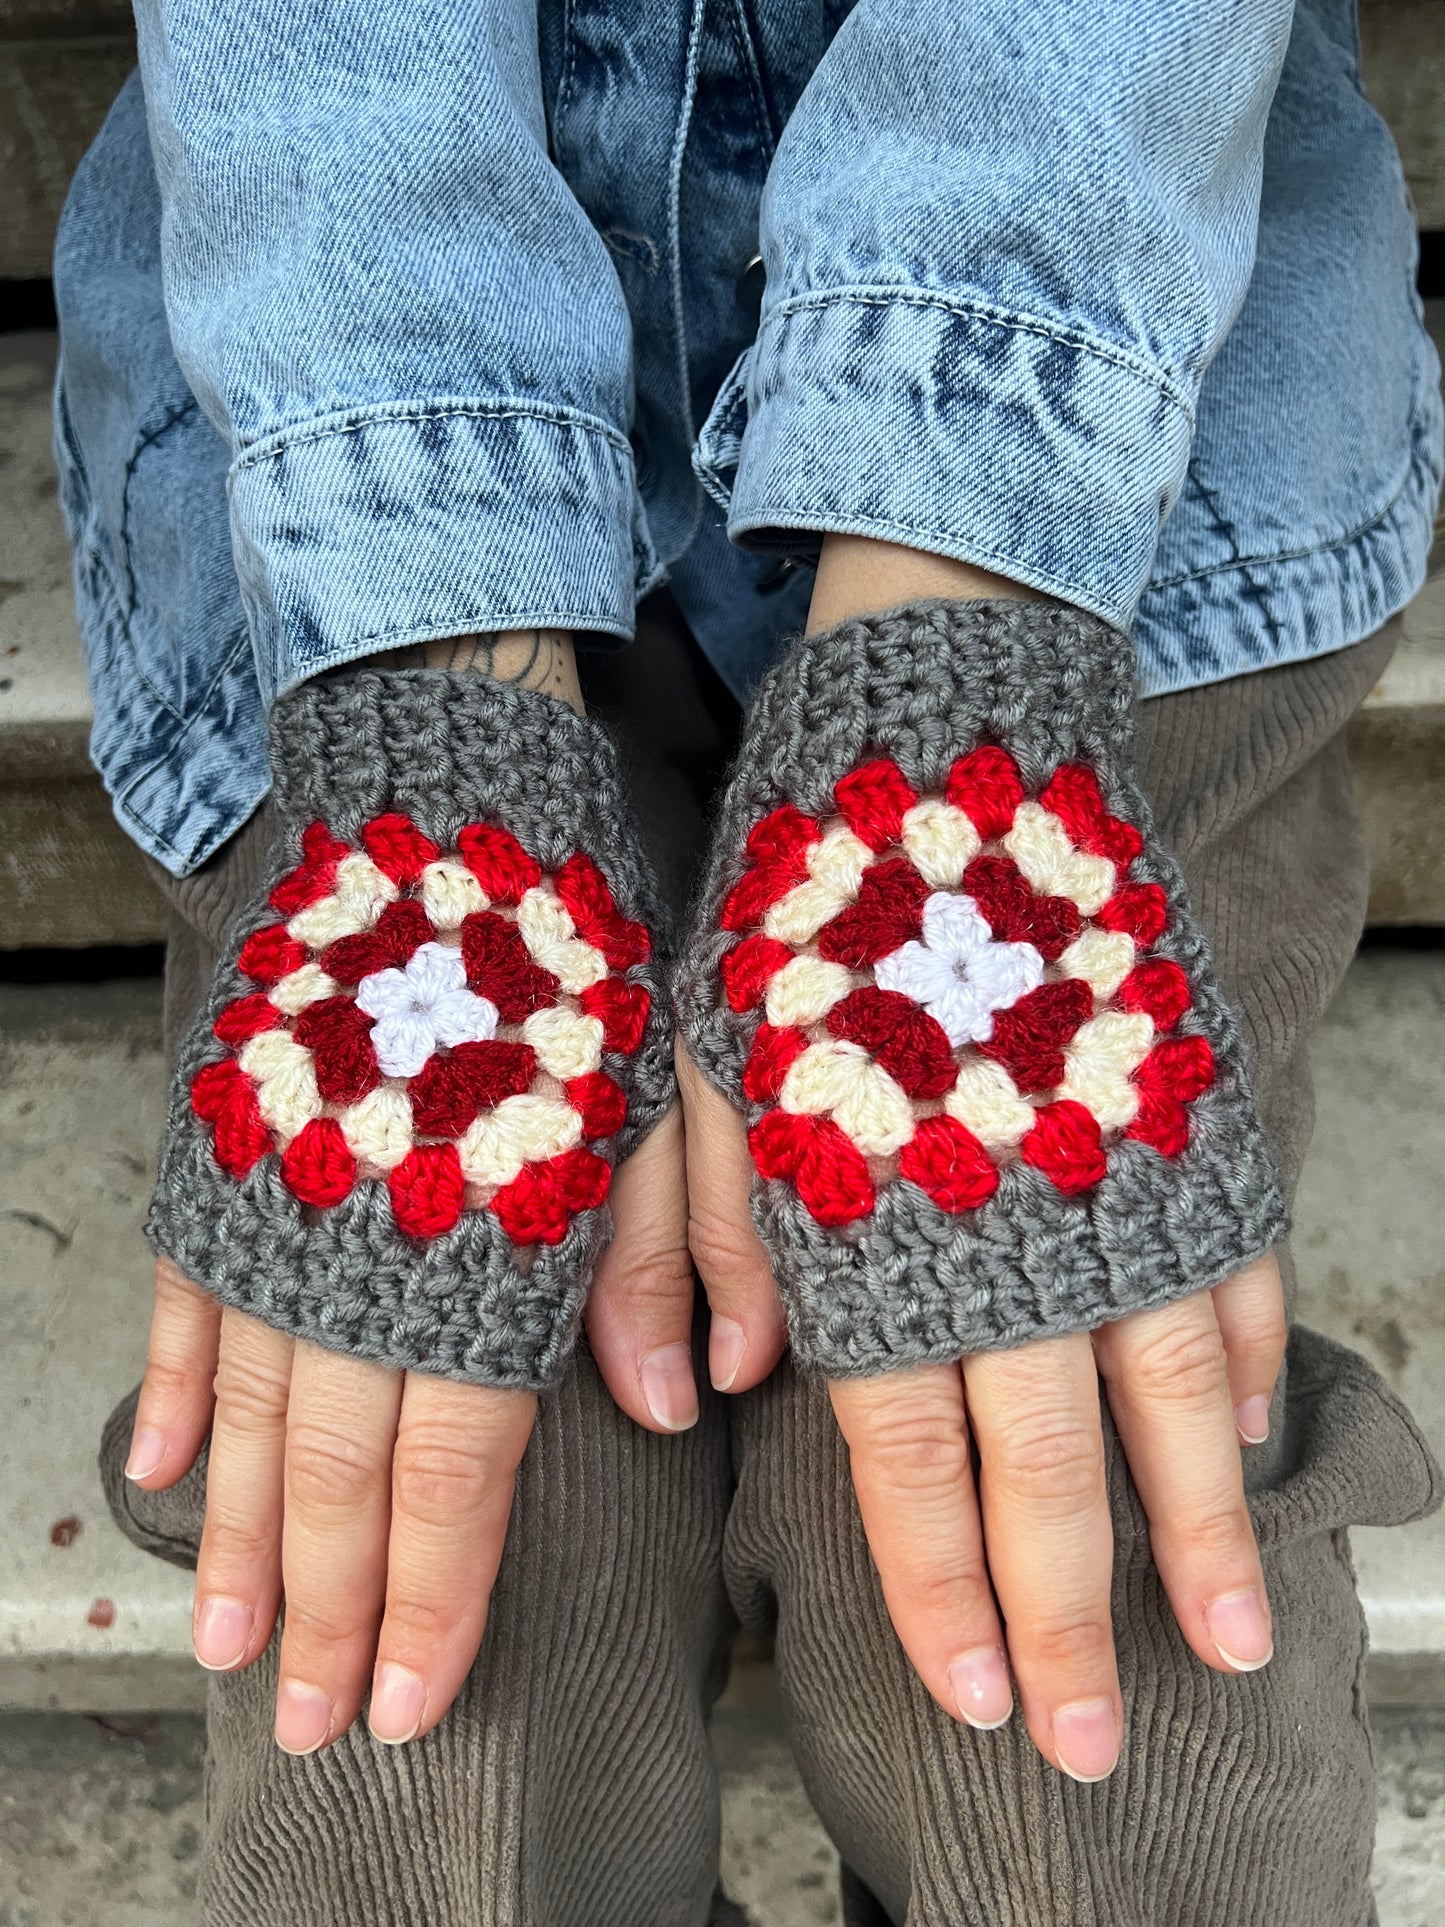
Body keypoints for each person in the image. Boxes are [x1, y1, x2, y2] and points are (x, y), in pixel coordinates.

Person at [56, 2, 1442, 1921]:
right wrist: (427, 688)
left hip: (1116, 447)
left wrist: (954, 622)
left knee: (1101, 1702)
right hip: (331, 480)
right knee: (422, 1707)